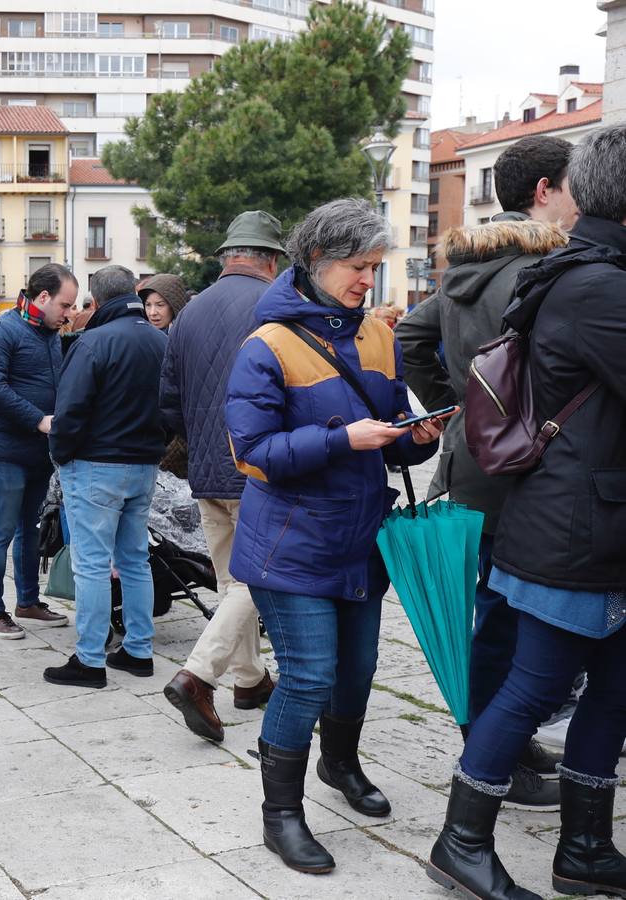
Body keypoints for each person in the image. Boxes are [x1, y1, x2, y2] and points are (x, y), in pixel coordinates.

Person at [427, 125, 626, 900]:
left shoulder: (586, 270)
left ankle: (582, 846)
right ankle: (461, 841)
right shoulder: (599, 286)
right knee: (534, 686)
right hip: (572, 528)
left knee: (612, 690)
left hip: (592, 521)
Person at [225, 199, 445, 875]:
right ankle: (280, 817)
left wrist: (414, 440)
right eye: (357, 267)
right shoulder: (266, 346)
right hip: (290, 542)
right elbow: (252, 452)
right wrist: (342, 439)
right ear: (316, 262)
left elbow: (386, 436)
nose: (367, 282)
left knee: (357, 674)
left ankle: (340, 766)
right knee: (311, 677)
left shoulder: (379, 335)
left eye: (375, 268)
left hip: (360, 537)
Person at [398, 134, 576, 812]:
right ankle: (490, 754)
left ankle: (504, 738)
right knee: (506, 616)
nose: (575, 201)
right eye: (570, 188)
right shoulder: (541, 267)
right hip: (528, 462)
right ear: (543, 193)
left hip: (476, 460)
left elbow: (413, 337)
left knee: (497, 610)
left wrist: (458, 403)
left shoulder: (464, 266)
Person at [159, 211, 285, 744]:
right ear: (272, 259)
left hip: (208, 469)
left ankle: (250, 681)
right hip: (260, 467)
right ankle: (198, 675)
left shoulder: (188, 313)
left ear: (227, 257)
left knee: (235, 582)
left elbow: (168, 404)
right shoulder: (276, 304)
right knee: (255, 580)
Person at [43, 265, 166, 689]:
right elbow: (172, 404)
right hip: (144, 464)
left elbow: (71, 408)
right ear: (134, 293)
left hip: (96, 465)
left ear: (96, 300)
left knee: (92, 565)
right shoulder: (159, 339)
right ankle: (139, 650)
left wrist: (62, 454)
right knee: (135, 560)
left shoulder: (94, 341)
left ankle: (90, 659)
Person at [0, 264, 73, 639]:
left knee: (31, 529)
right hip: (4, 451)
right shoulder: (1, 331)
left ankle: (27, 602)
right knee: (1, 529)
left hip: (38, 452)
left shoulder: (50, 332)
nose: (67, 313)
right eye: (64, 305)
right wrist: (39, 420)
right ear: (43, 297)